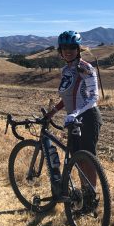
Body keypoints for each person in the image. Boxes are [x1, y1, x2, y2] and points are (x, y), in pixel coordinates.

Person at [46, 30, 102, 200]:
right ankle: (84, 195)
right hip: (73, 119)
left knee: (88, 158)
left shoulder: (85, 68)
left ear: (78, 49)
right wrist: (53, 111)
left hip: (88, 117)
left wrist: (76, 113)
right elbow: (68, 97)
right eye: (64, 48)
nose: (68, 50)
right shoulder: (65, 70)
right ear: (60, 51)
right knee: (77, 159)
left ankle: (92, 197)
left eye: (72, 47)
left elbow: (93, 98)